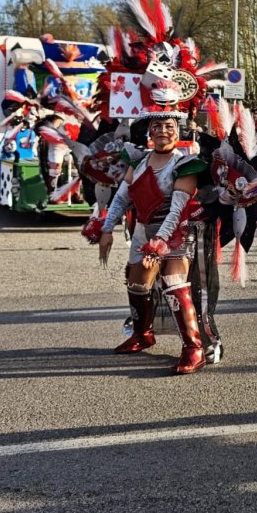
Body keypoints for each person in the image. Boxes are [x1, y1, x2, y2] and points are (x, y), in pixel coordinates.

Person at [97, 109, 209, 374]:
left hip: (175, 234)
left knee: (174, 283)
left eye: (168, 126)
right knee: (137, 283)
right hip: (142, 231)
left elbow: (177, 210)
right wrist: (106, 229)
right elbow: (121, 198)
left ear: (177, 130)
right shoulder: (138, 161)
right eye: (157, 126)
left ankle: (193, 348)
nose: (162, 131)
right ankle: (142, 334)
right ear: (149, 131)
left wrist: (159, 242)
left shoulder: (185, 164)